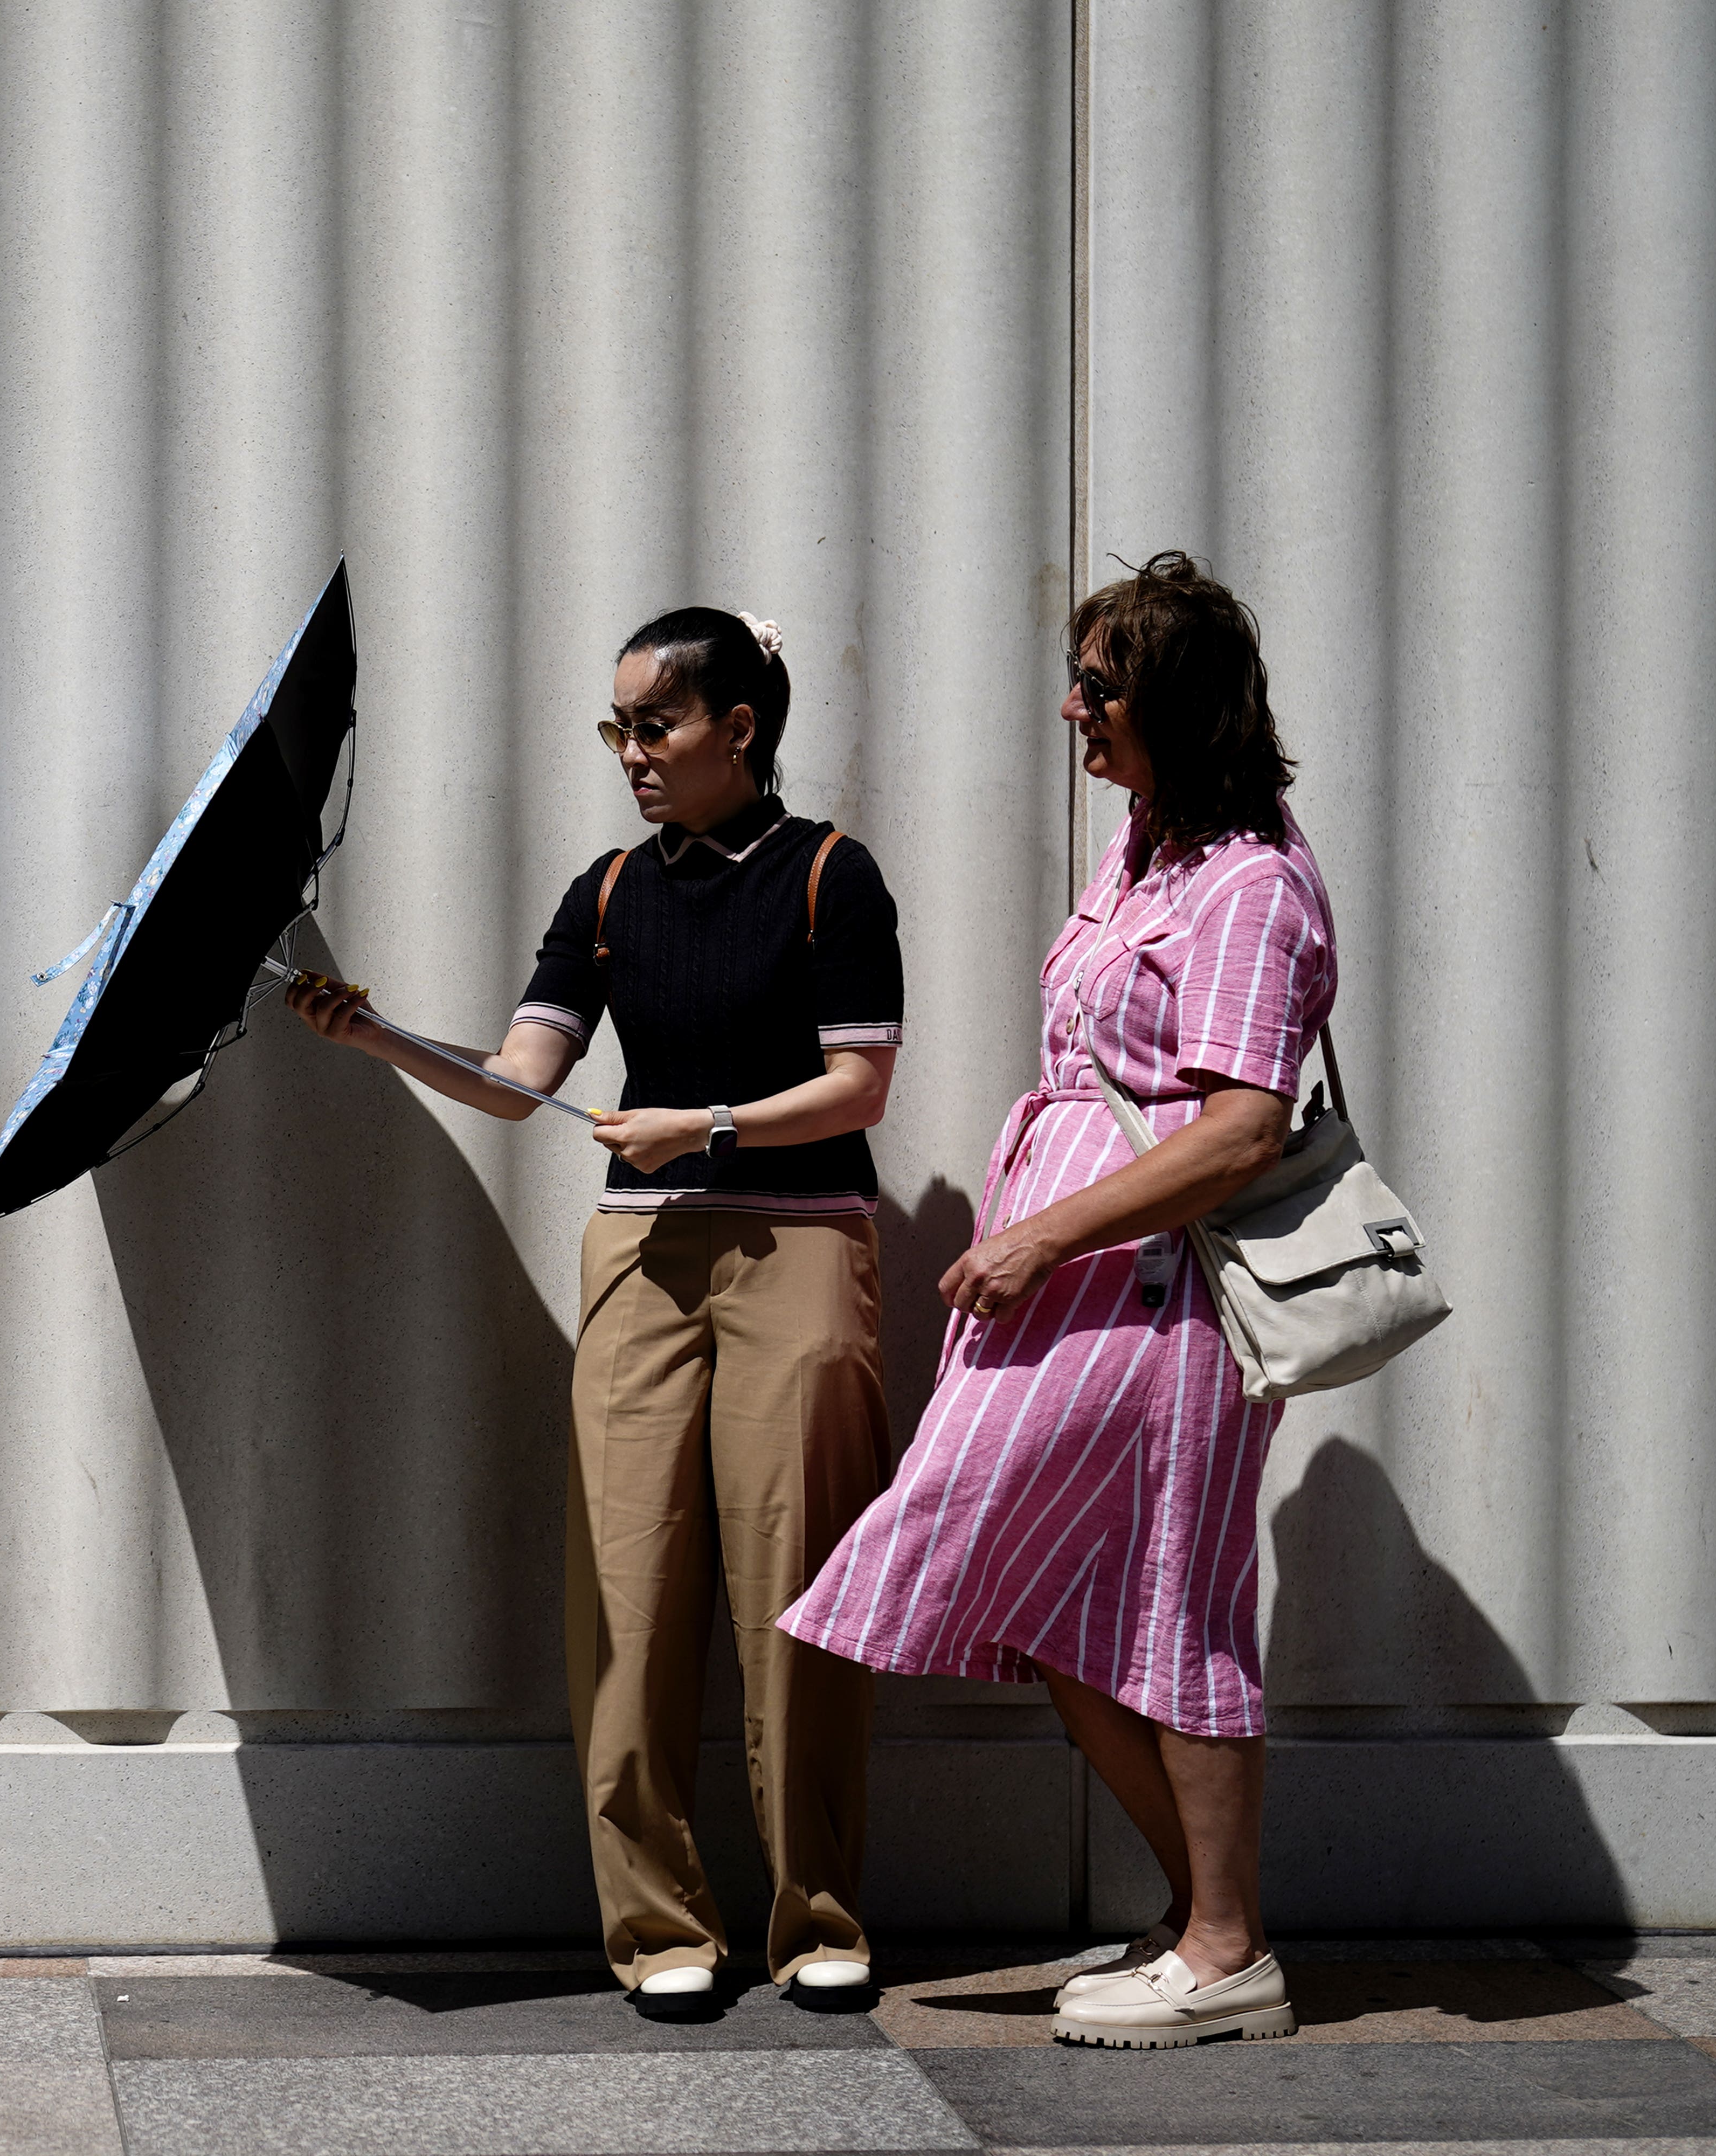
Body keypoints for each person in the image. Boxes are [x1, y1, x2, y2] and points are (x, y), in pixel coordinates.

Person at [285, 607, 904, 2000]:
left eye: (656, 724)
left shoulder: (830, 877)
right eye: (616, 727)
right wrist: (375, 1035)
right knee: (624, 1595)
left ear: (739, 730)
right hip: (639, 1258)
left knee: (794, 1593)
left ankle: (820, 1925)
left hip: (801, 1244)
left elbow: (862, 1089)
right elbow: (520, 1078)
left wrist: (712, 1129)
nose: (631, 752)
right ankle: (661, 1931)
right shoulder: (610, 893)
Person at [779, 552, 1330, 2048]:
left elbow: (1240, 1127)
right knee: (1063, 1598)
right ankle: (1204, 1917)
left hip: (1164, 1296)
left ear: (1180, 705)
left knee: (1170, 1598)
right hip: (1076, 1284)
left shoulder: (1251, 888)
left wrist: (1041, 1238)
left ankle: (1228, 1950)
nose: (1073, 710)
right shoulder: (1144, 847)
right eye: (1078, 679)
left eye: (1101, 686)